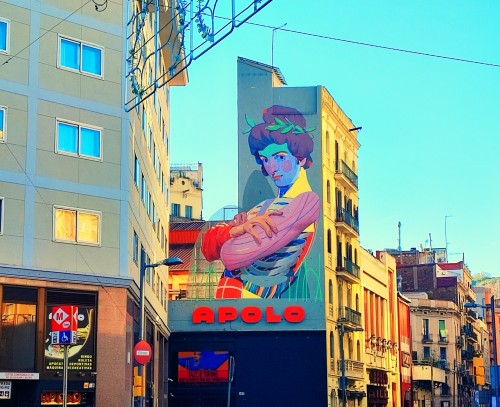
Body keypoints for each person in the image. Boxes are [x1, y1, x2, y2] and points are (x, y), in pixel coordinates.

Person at [201, 105, 319, 299]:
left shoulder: (305, 204)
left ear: (301, 159)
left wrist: (234, 236)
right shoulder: (265, 206)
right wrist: (233, 231)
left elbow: (231, 255)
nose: (272, 167)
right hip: (237, 300)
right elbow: (208, 247)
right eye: (265, 159)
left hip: (257, 300)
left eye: (280, 157)